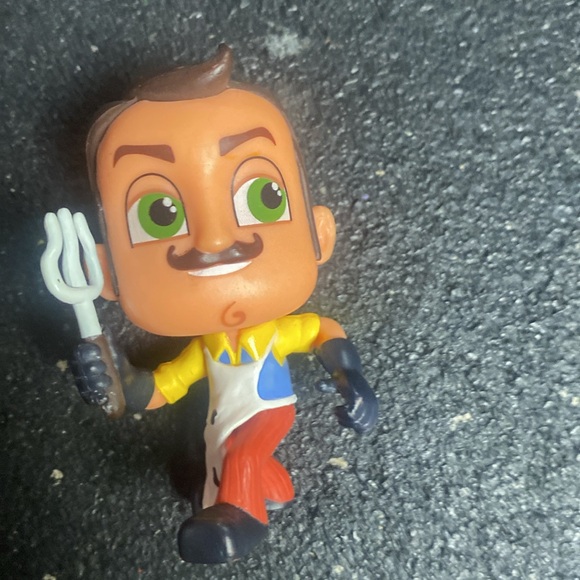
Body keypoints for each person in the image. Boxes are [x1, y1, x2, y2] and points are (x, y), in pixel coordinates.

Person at [72, 44, 378, 564]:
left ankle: (244, 520)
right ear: (105, 273)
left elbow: (322, 331)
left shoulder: (273, 333)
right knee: (228, 458)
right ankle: (269, 491)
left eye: (263, 197)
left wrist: (350, 376)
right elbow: (159, 389)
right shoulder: (204, 350)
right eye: (159, 214)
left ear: (320, 233)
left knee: (242, 451)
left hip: (266, 414)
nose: (214, 241)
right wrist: (116, 379)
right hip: (220, 426)